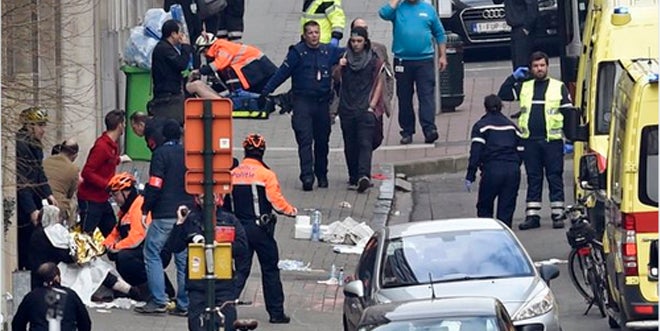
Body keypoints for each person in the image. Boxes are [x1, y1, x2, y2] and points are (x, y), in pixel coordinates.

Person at [260, 20, 343, 191]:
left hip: (322, 104)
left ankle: (322, 174)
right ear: (304, 35)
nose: (314, 36)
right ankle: (307, 176)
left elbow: (350, 51)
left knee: (322, 142)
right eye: (310, 33)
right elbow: (281, 74)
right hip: (302, 103)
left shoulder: (328, 51)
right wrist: (265, 92)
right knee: (304, 141)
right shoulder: (297, 53)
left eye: (316, 32)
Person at [498, 51, 573, 230]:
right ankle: (533, 216)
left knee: (555, 176)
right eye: (536, 66)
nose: (539, 69)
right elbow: (503, 94)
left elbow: (569, 114)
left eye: (542, 65)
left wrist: (570, 139)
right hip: (529, 140)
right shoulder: (525, 86)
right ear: (530, 69)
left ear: (547, 66)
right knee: (533, 177)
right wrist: (513, 78)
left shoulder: (558, 86)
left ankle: (557, 214)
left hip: (552, 141)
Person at [229, 134, 298, 324]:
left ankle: (225, 307)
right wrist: (292, 211)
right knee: (270, 269)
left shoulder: (233, 174)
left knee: (240, 270)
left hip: (238, 231)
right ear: (263, 152)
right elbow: (276, 202)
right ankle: (276, 313)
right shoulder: (266, 174)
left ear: (245, 151)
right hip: (260, 229)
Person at [168, 195, 250, 331]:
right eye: (201, 198)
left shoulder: (229, 220)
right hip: (197, 284)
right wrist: (180, 223)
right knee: (196, 325)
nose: (205, 201)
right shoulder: (191, 220)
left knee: (228, 324)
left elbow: (242, 247)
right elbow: (175, 246)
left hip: (223, 283)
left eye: (210, 197)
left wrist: (221, 246)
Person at [137, 120, 193, 315]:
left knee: (152, 252)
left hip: (164, 213)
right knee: (183, 258)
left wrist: (146, 208)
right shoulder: (189, 153)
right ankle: (185, 303)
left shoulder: (160, 154)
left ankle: (159, 300)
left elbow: (155, 184)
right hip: (186, 213)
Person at [29, 205, 141, 301]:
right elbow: (63, 255)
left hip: (53, 267)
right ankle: (126, 289)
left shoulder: (39, 232)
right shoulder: (51, 233)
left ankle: (124, 289)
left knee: (95, 266)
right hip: (57, 268)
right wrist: (80, 256)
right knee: (94, 268)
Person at [379, 0, 448, 145]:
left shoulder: (428, 9)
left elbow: (439, 33)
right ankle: (407, 131)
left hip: (425, 61)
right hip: (403, 60)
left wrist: (442, 55)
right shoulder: (398, 9)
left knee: (426, 96)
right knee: (404, 98)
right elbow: (383, 14)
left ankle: (429, 129)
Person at [332, 27, 385, 192]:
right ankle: (353, 177)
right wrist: (340, 67)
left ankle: (364, 176)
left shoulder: (374, 60)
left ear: (365, 42)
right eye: (353, 41)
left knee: (365, 143)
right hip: (347, 108)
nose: (356, 45)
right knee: (350, 144)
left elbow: (379, 83)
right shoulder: (344, 58)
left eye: (359, 41)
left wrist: (372, 106)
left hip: (365, 109)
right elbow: (335, 79)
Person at [464, 95, 523, 228]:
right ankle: (505, 232)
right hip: (512, 170)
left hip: (492, 170)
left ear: (486, 108)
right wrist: (514, 164)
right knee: (506, 207)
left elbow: (476, 152)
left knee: (485, 206)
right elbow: (521, 149)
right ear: (501, 106)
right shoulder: (511, 126)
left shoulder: (481, 126)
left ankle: (488, 233)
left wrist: (470, 175)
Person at [15, 107, 58, 270]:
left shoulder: (35, 144)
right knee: (26, 242)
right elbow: (22, 181)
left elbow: (39, 172)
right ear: (29, 125)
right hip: (24, 203)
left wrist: (49, 194)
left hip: (34, 197)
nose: (43, 130)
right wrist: (31, 210)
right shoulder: (20, 144)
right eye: (40, 125)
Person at [77, 109, 128, 237]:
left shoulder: (110, 146)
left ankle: (117, 254)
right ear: (120, 125)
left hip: (102, 198)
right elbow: (87, 172)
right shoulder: (102, 146)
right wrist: (107, 184)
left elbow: (108, 161)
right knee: (85, 237)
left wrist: (119, 159)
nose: (125, 127)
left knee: (113, 235)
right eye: (124, 123)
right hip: (91, 199)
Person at [12, 262, 91, 331]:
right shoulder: (71, 295)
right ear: (56, 278)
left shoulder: (31, 297)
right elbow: (85, 323)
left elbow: (17, 324)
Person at [197, 36, 278, 94]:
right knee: (257, 96)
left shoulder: (222, 47)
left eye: (203, 51)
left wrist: (198, 72)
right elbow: (224, 83)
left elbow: (218, 64)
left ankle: (236, 95)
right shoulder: (220, 48)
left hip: (262, 72)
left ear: (208, 46)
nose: (204, 55)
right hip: (259, 72)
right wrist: (207, 91)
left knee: (228, 71)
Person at [150, 19, 194, 124]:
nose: (182, 36)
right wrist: (185, 46)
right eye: (180, 33)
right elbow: (181, 64)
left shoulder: (167, 47)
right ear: (173, 34)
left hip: (171, 91)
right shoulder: (164, 49)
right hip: (168, 95)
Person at [351, 18, 394, 119]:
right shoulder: (345, 55)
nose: (363, 31)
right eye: (359, 28)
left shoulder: (379, 49)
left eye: (365, 28)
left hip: (375, 106)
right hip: (353, 105)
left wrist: (387, 96)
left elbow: (388, 74)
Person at [493, 0, 538, 70]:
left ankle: (525, 79)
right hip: (515, 29)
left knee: (523, 62)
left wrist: (527, 28)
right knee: (517, 62)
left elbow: (532, 7)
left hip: (523, 27)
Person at [43, 139, 80, 226]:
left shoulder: (45, 162)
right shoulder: (73, 169)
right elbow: (70, 194)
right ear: (74, 155)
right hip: (59, 207)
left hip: (41, 203)